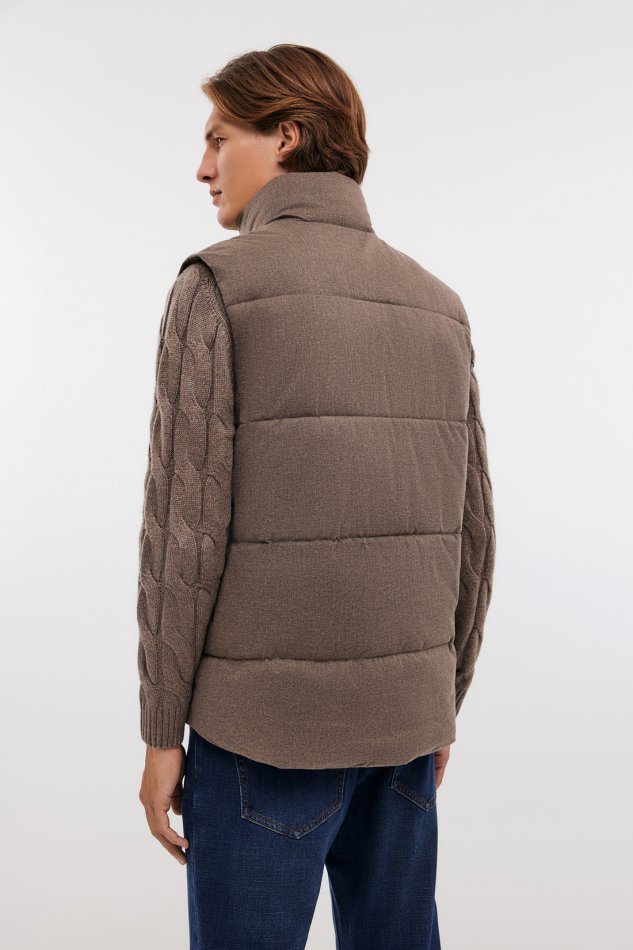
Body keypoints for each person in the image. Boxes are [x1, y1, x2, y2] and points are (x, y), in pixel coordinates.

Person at [136, 43, 496, 950]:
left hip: (262, 739)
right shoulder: (437, 304)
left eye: (219, 138)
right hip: (406, 731)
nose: (203, 166)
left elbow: (182, 537)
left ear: (287, 136)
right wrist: (439, 698)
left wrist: (160, 733)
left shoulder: (217, 285)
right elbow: (472, 535)